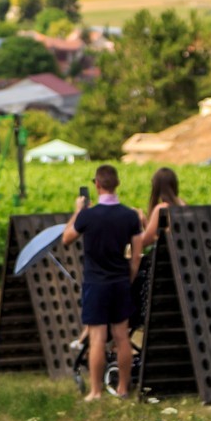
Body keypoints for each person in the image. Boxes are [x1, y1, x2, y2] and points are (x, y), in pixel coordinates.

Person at [62, 164, 144, 402]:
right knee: (121, 337)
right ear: (117, 184)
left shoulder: (88, 216)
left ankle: (95, 391)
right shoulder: (130, 216)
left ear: (97, 185)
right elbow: (137, 255)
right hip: (119, 282)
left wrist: (78, 211)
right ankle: (123, 389)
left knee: (97, 338)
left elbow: (66, 239)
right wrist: (128, 278)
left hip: (95, 284)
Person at [139, 167, 181, 250]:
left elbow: (146, 241)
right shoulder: (182, 204)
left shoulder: (161, 208)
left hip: (168, 260)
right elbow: (158, 236)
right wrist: (145, 222)